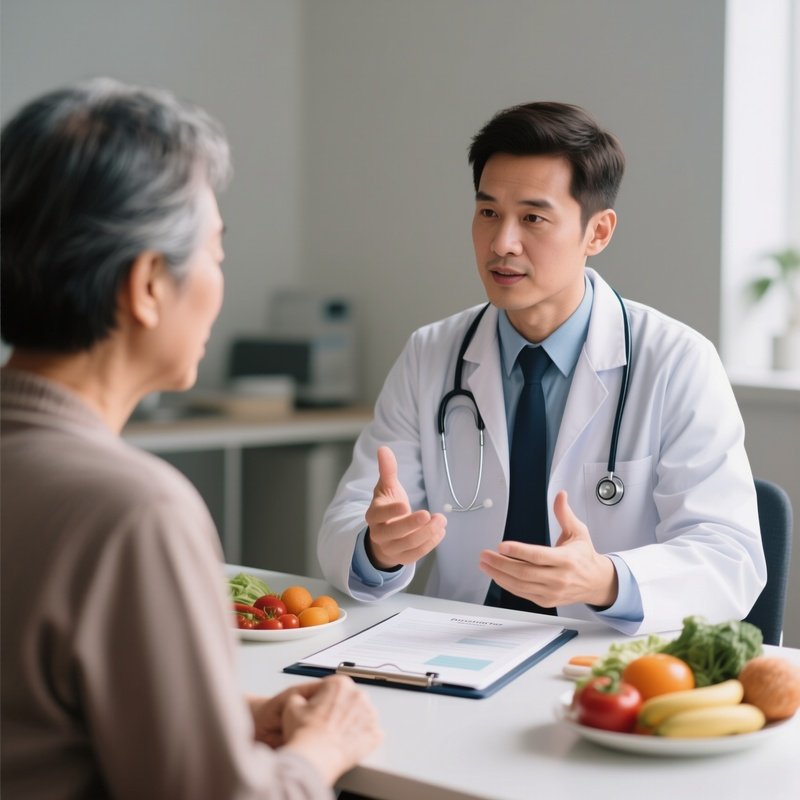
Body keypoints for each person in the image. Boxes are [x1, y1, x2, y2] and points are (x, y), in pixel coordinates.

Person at [0, 79, 381, 800]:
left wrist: (225, 718)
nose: (219, 279)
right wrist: (319, 752)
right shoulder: (131, 513)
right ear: (147, 285)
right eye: (215, 251)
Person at [317, 101, 766, 636]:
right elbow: (348, 521)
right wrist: (378, 548)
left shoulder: (677, 360)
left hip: (602, 660)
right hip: (456, 644)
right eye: (488, 212)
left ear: (597, 233)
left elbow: (729, 557)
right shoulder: (430, 353)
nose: (502, 243)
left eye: (533, 217)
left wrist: (605, 579)